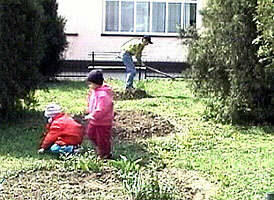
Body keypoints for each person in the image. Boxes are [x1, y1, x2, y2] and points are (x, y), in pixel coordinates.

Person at [85, 69, 114, 159]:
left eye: (91, 83)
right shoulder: (94, 92)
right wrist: (89, 109)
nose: (89, 86)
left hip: (103, 122)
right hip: (94, 120)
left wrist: (93, 115)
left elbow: (102, 109)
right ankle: (100, 148)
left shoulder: (103, 95)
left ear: (96, 83)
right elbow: (91, 102)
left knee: (102, 138)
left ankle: (105, 154)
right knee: (90, 133)